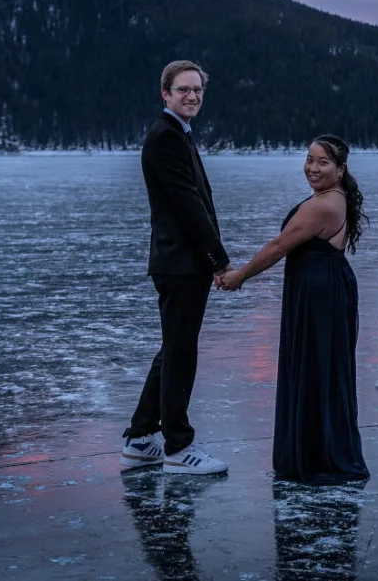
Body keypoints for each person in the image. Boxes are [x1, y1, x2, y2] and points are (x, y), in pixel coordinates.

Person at [215, 134, 370, 485]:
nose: (312, 168)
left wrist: (239, 276)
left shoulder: (323, 206)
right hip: (323, 289)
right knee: (320, 369)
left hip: (320, 294)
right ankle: (320, 450)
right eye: (309, 159)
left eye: (323, 162)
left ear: (341, 169)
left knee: (315, 369)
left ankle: (318, 457)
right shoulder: (331, 197)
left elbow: (277, 247)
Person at [121, 60, 231, 476]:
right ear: (165, 93)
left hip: (180, 263)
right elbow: (189, 207)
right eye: (183, 89)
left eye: (197, 90)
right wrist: (218, 260)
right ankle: (178, 448)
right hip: (180, 264)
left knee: (173, 350)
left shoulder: (177, 134)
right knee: (180, 354)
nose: (192, 96)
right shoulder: (166, 138)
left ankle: (139, 438)